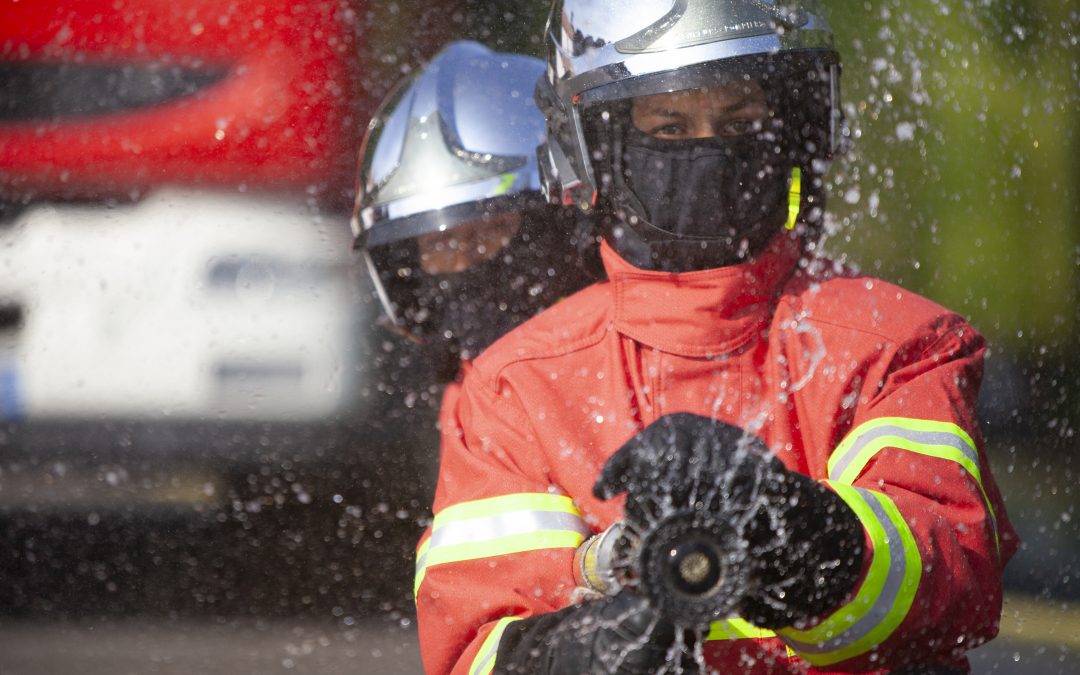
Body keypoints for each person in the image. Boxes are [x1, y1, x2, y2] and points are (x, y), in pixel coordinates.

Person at [414, 2, 1017, 674]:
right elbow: (472, 638)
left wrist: (798, 531)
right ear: (595, 145)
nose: (708, 147)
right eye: (669, 126)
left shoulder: (896, 345)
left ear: (795, 127)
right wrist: (571, 656)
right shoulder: (515, 387)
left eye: (740, 120)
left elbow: (951, 578)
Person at [351, 40, 594, 384]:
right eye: (441, 243)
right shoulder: (463, 403)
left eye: (490, 231)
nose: (464, 260)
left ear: (556, 226)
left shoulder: (617, 371)